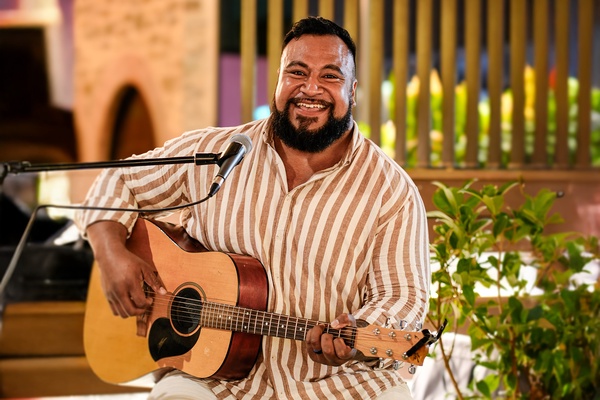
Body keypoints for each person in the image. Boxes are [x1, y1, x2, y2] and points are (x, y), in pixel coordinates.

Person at [76, 16, 430, 400]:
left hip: (341, 384)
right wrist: (111, 254)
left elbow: (404, 298)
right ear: (277, 81)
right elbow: (116, 180)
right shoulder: (216, 153)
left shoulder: (391, 191)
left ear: (353, 91)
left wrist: (356, 335)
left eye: (330, 76)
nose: (311, 88)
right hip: (211, 379)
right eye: (297, 72)